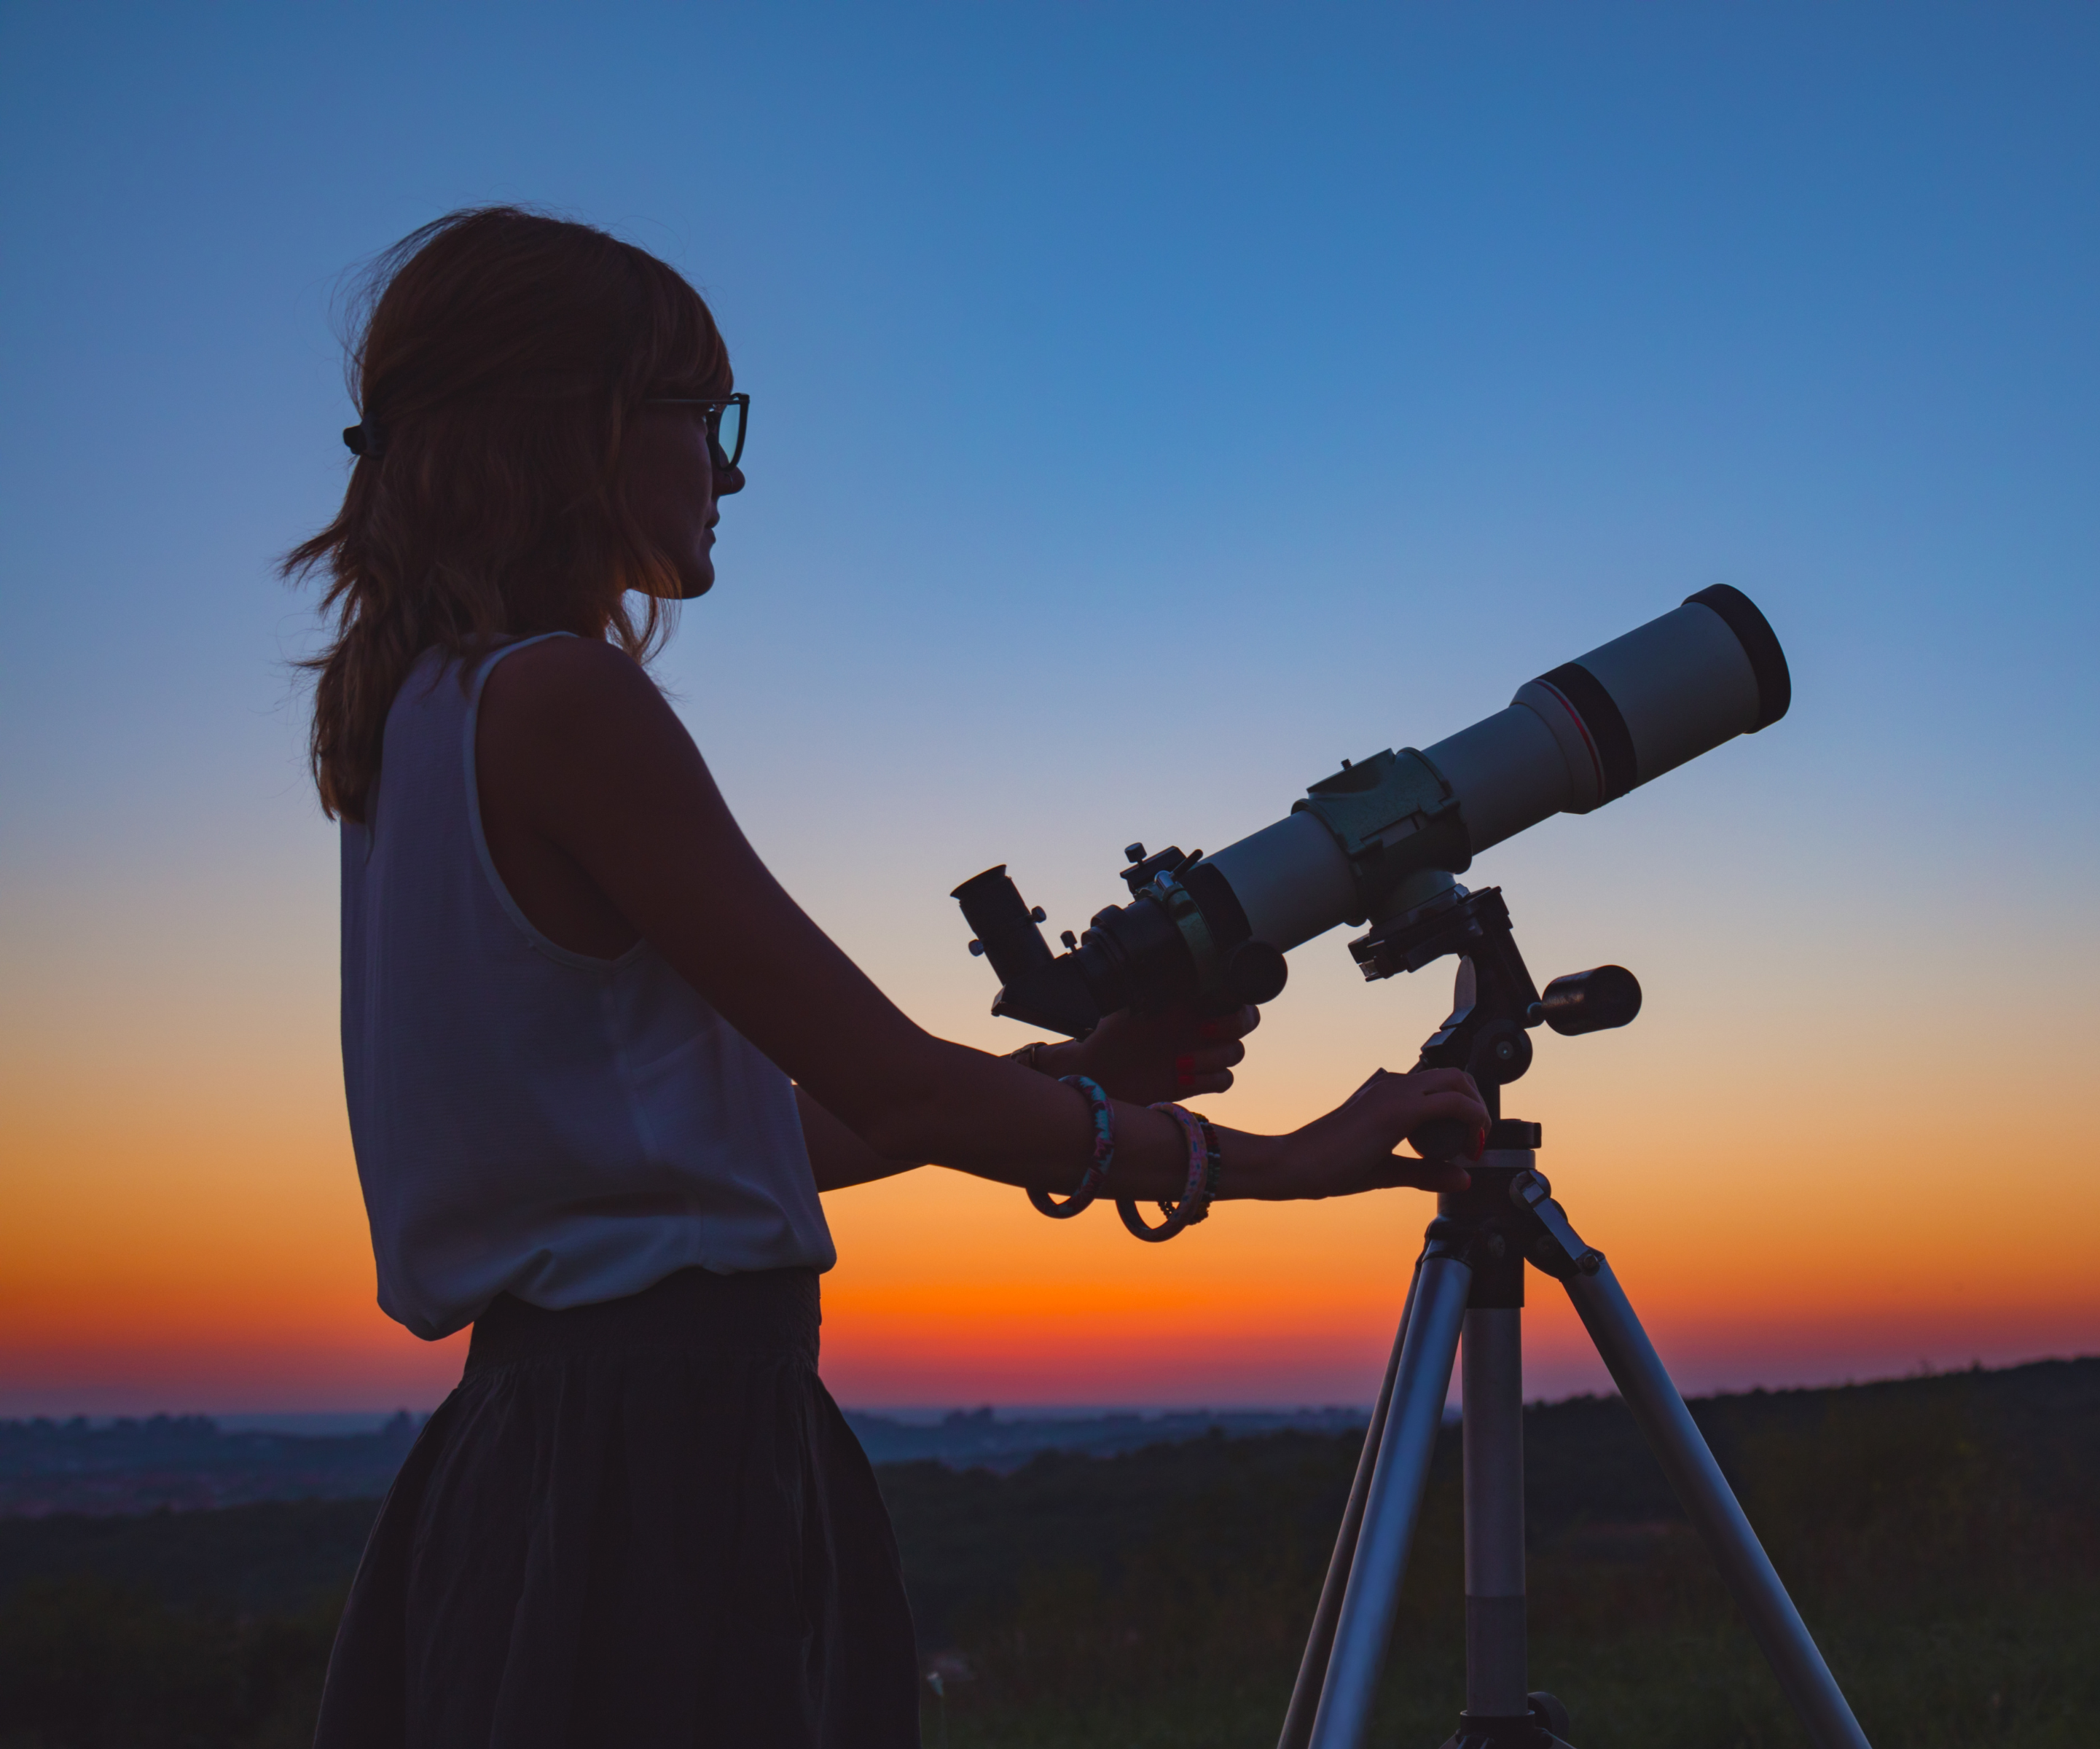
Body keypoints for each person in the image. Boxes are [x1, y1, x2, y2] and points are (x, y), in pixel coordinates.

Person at [291, 207, 1488, 1749]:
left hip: (538, 1449)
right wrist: (1285, 1166)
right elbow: (892, 1081)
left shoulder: (416, 729)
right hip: (671, 1452)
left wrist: (1076, 1080)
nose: (731, 469)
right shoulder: (567, 703)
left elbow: (731, 1151)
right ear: (578, 424)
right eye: (705, 416)